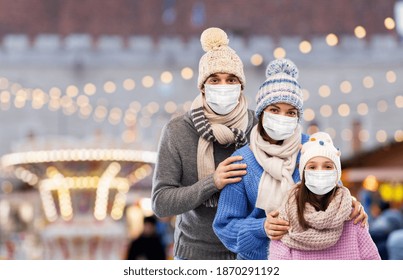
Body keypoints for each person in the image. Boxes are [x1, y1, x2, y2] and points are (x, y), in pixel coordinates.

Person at [213, 58, 368, 260]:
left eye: (291, 112)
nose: (282, 117)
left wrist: (351, 206)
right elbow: (225, 226)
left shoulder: (314, 149)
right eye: (275, 110)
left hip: (310, 260)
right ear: (261, 114)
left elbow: (336, 198)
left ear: (297, 117)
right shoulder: (242, 161)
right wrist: (261, 227)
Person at [151, 27, 257, 260]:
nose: (223, 86)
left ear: (241, 86)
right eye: (215, 80)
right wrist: (212, 183)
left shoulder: (258, 127)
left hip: (253, 252)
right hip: (196, 255)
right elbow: (160, 202)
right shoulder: (178, 131)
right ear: (202, 87)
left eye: (231, 80)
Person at [268, 132, 381, 260]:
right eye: (312, 167)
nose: (320, 172)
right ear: (303, 174)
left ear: (336, 175)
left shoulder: (353, 217)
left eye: (328, 166)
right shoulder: (285, 218)